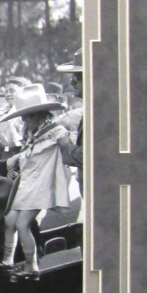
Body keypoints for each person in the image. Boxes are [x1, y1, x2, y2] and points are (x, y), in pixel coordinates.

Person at [1, 84, 71, 279]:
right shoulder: (32, 135)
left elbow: (67, 151)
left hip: (40, 185)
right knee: (10, 220)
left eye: (30, 116)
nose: (26, 121)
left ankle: (32, 266)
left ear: (41, 114)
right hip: (27, 183)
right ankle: (7, 260)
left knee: (23, 224)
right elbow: (29, 155)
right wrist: (16, 159)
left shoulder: (56, 132)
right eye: (25, 117)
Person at [0, 76, 31, 161]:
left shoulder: (26, 112)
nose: (8, 94)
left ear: (22, 92)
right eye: (6, 92)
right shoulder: (1, 111)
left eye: (12, 91)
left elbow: (30, 141)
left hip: (18, 157)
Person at [56, 49, 84, 192]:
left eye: (75, 78)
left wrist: (66, 145)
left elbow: (90, 156)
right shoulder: (92, 109)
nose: (72, 83)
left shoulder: (101, 112)